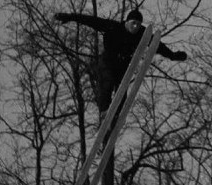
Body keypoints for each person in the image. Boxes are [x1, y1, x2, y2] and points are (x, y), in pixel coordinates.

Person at [54, 8, 187, 113]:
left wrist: (172, 55)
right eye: (133, 23)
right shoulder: (113, 26)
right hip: (107, 62)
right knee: (107, 83)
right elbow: (91, 20)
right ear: (127, 22)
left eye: (138, 24)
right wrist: (70, 17)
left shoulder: (141, 33)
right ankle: (104, 111)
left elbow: (158, 45)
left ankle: (116, 114)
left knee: (122, 91)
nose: (135, 27)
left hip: (123, 65)